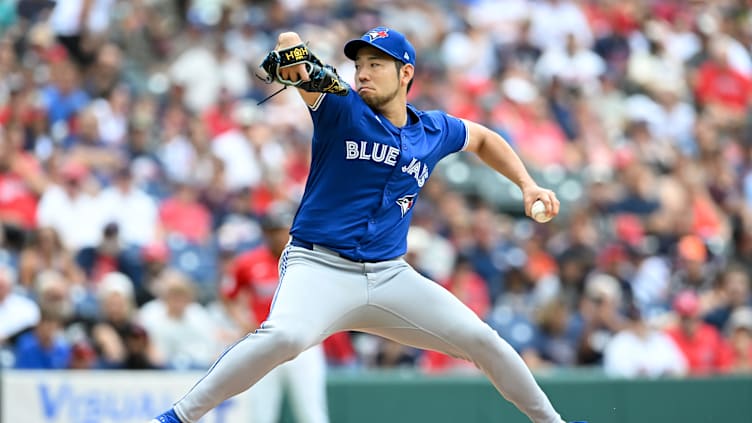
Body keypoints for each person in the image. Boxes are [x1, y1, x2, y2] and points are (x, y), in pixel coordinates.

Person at [151, 26, 569, 423]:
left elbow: (482, 138)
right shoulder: (340, 106)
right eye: (359, 64)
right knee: (286, 338)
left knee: (484, 340)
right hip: (318, 268)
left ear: (406, 73)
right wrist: (299, 59)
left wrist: (527, 184)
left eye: (376, 64)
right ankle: (178, 416)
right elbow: (292, 49)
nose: (363, 73)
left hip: (389, 275)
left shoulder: (433, 129)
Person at [219, 202, 329, 423]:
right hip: (265, 344)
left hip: (304, 342)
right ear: (265, 232)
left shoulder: (308, 257)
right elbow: (227, 295)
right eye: (274, 229)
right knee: (261, 415)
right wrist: (244, 323)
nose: (279, 234)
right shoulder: (248, 262)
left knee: (312, 415)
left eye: (283, 228)